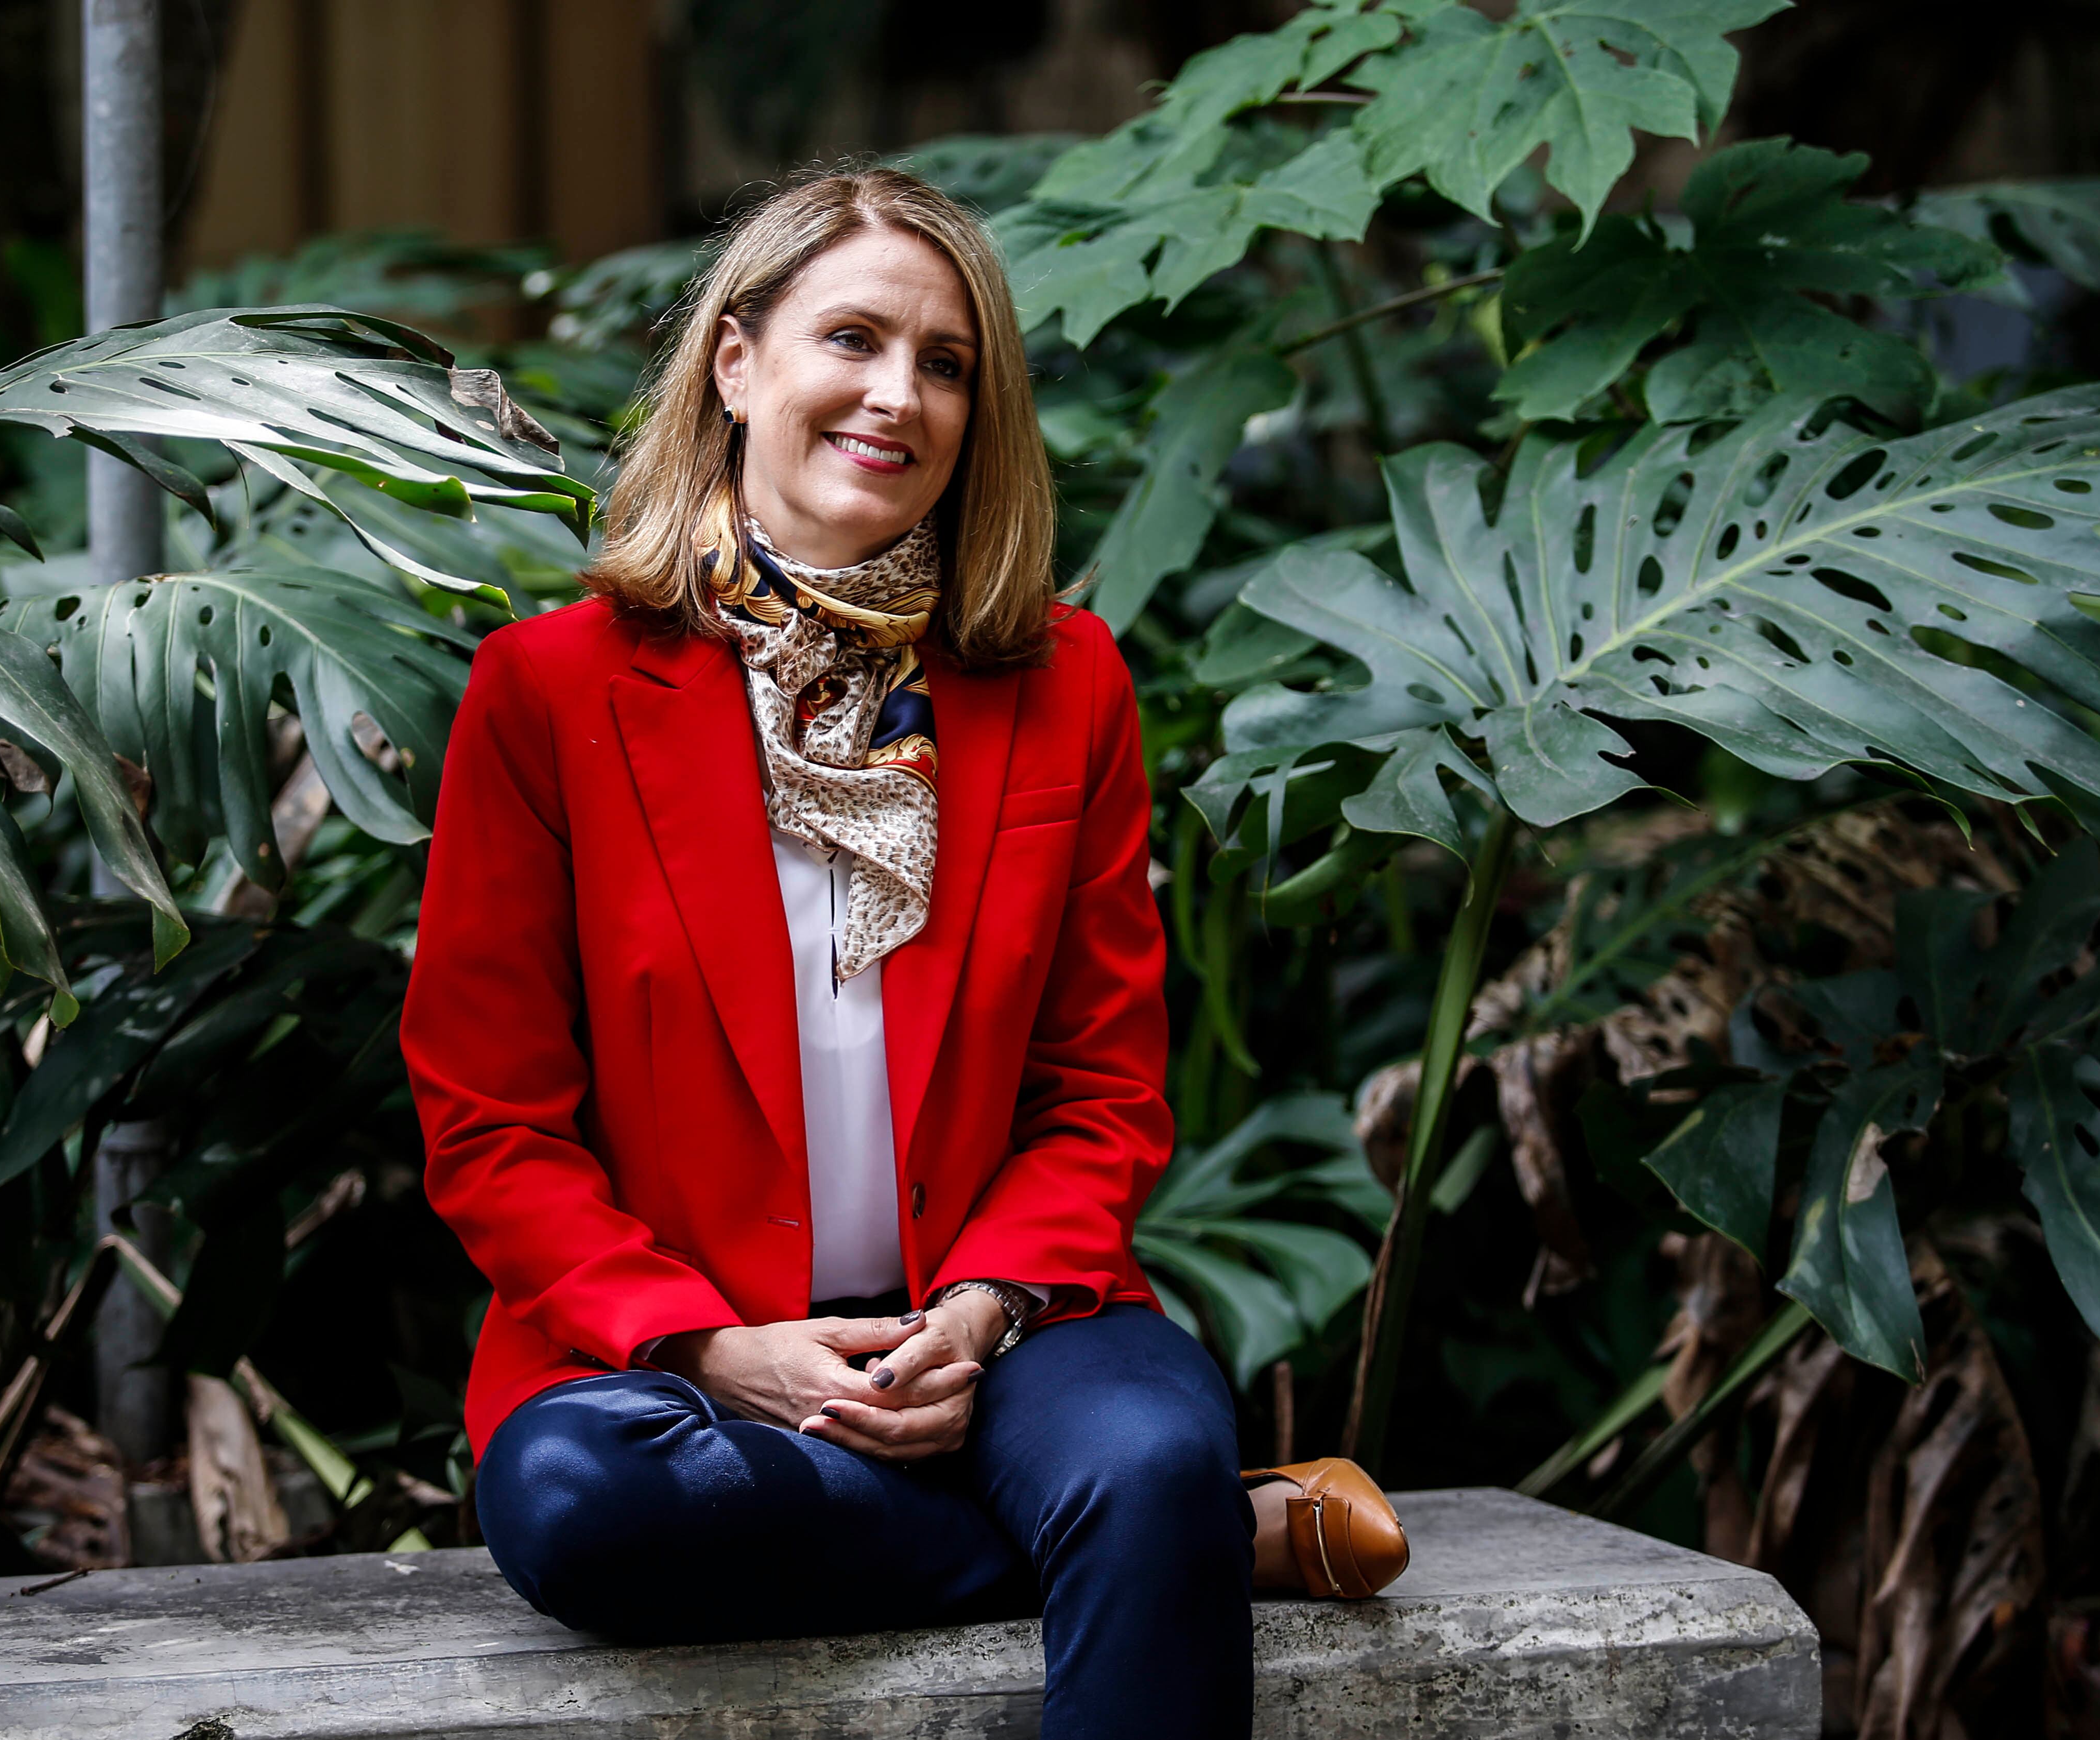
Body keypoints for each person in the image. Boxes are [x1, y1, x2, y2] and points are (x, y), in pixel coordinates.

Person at [400, 165, 1407, 1740]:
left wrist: (985, 1308)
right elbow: (490, 1118)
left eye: (945, 363)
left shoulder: (1063, 681)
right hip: (680, 1359)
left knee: (1144, 1455)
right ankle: (1189, 1540)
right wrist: (713, 1346)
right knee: (580, 1496)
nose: (897, 395)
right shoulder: (551, 693)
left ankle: (1152, 1516)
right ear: (737, 362)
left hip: (1004, 1327)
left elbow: (1101, 1087)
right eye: (853, 339)